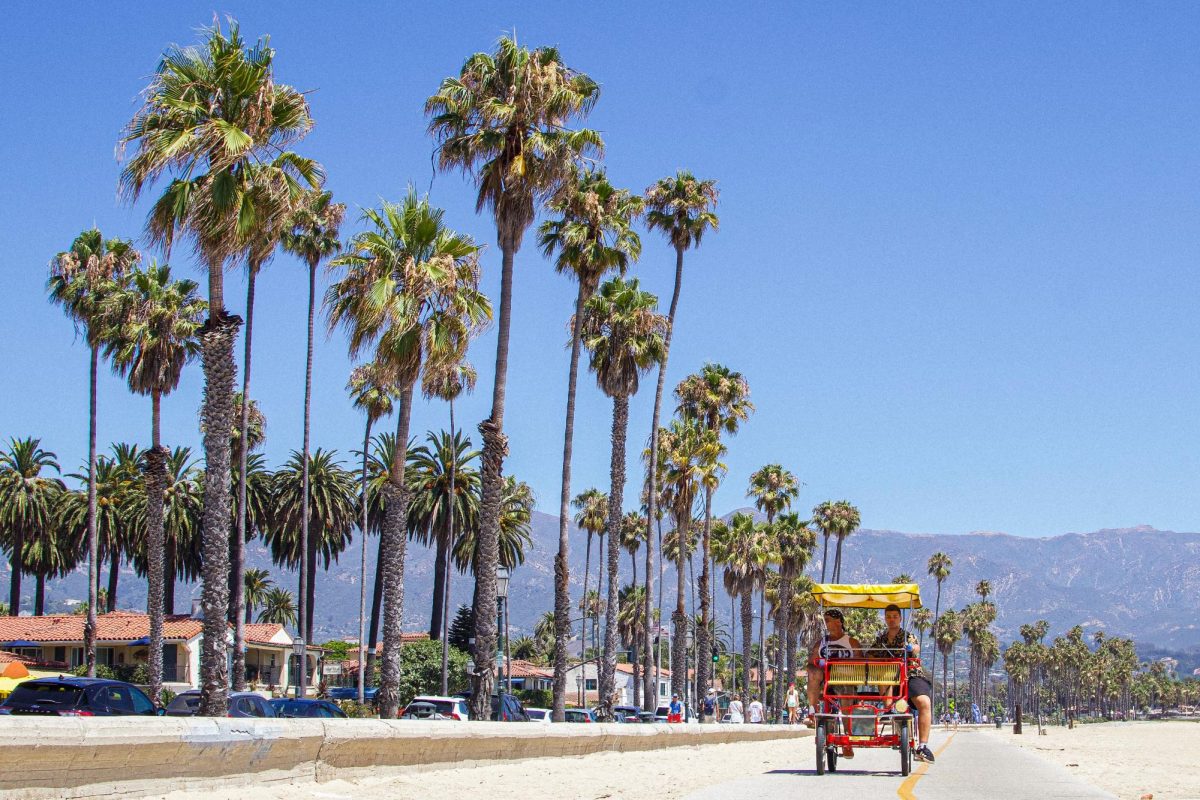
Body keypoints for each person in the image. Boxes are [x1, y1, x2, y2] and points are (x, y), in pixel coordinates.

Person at [869, 604, 936, 764]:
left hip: (910, 675)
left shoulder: (908, 636)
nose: (891, 619)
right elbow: (871, 653)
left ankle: (923, 747)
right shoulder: (881, 639)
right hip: (890, 676)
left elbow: (916, 648)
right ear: (885, 619)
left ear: (900, 618)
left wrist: (912, 648)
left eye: (895, 616)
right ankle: (888, 710)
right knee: (884, 673)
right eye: (888, 617)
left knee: (924, 702)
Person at [806, 608, 861, 758]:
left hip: (845, 679)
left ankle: (847, 740)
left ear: (838, 622)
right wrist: (817, 667)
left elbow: (860, 662)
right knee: (812, 673)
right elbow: (811, 662)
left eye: (828, 620)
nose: (825, 623)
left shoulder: (851, 642)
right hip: (825, 680)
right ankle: (813, 710)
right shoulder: (821, 643)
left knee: (845, 695)